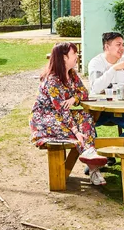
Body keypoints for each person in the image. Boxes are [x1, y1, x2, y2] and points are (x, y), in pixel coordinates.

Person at [30, 42, 108, 185]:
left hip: (62, 115)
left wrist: (74, 98)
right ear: (64, 57)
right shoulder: (53, 80)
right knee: (77, 131)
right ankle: (93, 166)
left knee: (86, 117)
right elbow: (61, 110)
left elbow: (84, 92)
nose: (77, 56)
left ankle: (90, 157)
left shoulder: (72, 74)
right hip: (45, 117)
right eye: (74, 53)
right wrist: (76, 131)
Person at [87, 32, 124, 137]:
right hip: (100, 109)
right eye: (118, 45)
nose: (122, 48)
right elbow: (96, 88)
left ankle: (113, 151)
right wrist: (113, 69)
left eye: (123, 45)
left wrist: (115, 87)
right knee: (85, 128)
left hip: (122, 107)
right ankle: (95, 151)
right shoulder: (96, 63)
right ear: (107, 47)